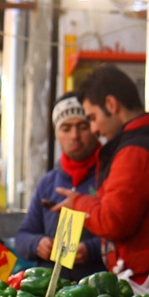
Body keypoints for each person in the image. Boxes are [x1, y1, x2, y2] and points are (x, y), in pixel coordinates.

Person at [50, 65, 149, 283]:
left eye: (92, 118)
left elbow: (112, 221)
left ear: (111, 105)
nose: (93, 129)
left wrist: (79, 203)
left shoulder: (136, 153)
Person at [14, 93, 105, 280]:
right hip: (51, 291)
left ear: (95, 129)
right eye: (66, 128)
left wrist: (92, 250)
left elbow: (127, 236)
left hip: (98, 290)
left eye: (83, 127)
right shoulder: (48, 183)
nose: (75, 136)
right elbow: (22, 237)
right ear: (57, 134)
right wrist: (37, 244)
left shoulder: (109, 176)